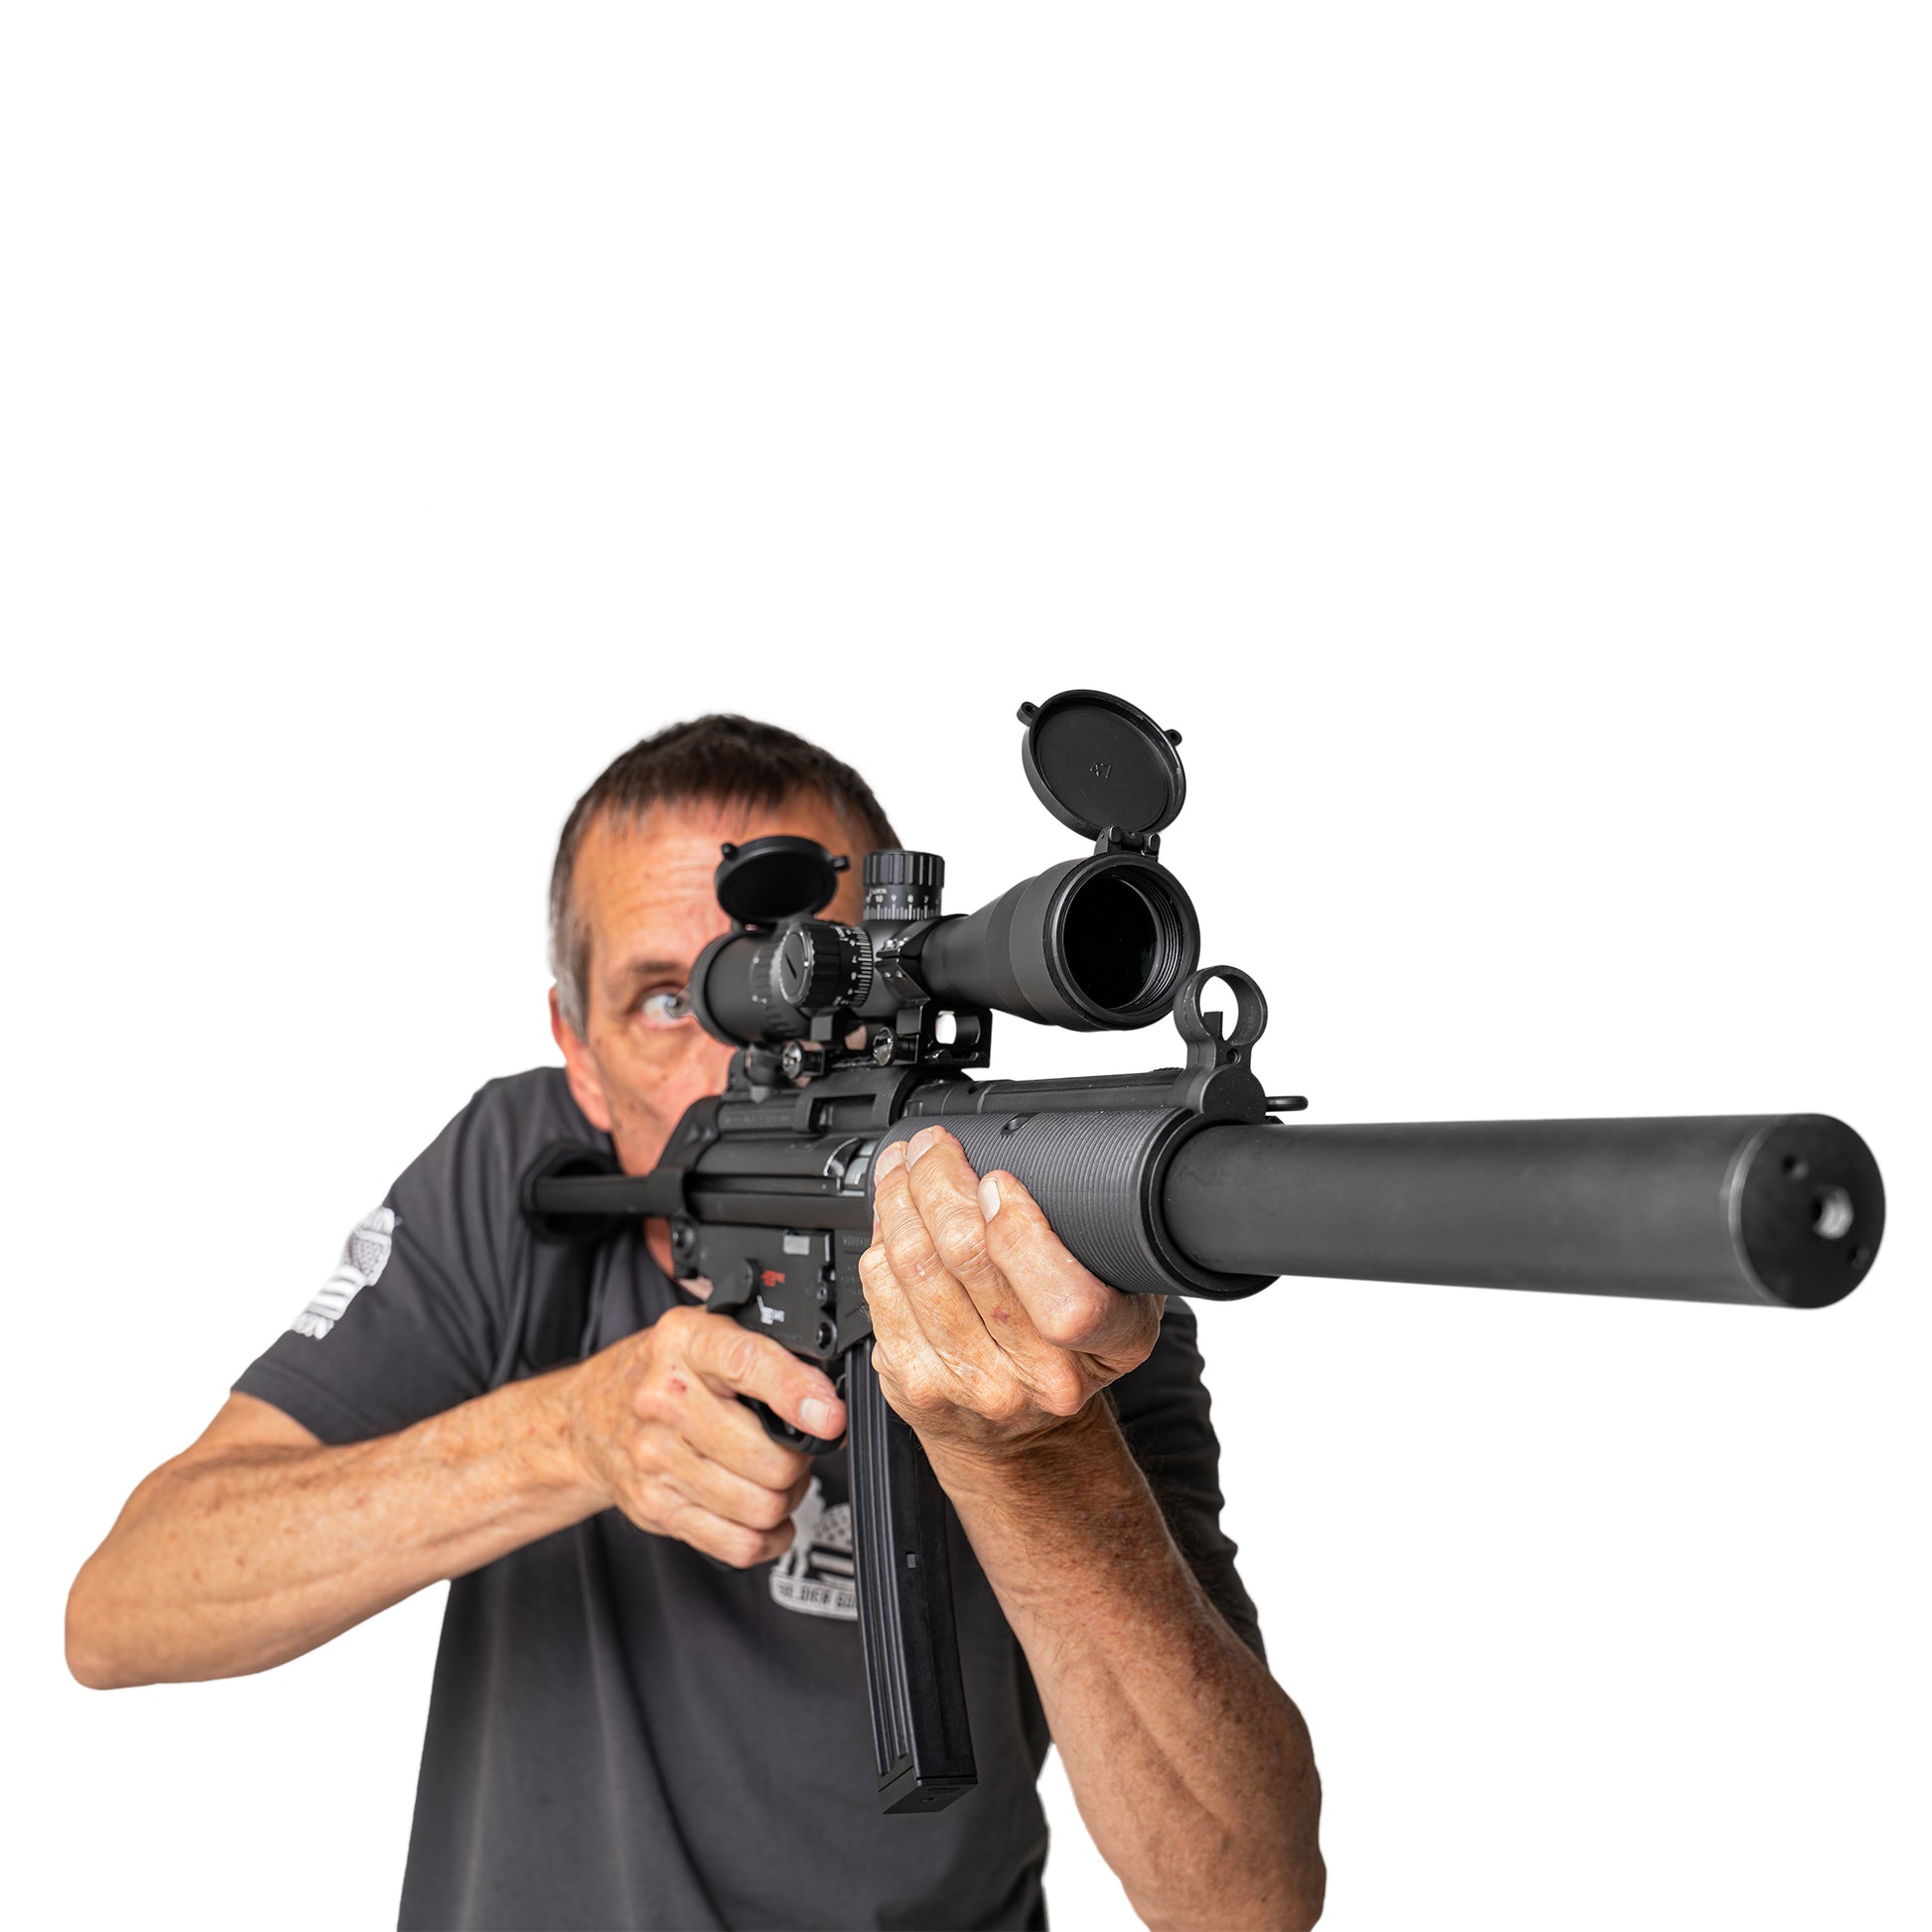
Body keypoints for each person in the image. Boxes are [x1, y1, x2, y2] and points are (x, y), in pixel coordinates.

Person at [67, 714, 1324, 1931]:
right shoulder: (517, 1170)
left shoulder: (1041, 1245)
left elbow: (1242, 1896)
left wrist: (1036, 1458)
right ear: (576, 1047)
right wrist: (572, 1433)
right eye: (669, 1000)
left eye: (814, 973)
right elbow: (122, 1609)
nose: (742, 1055)